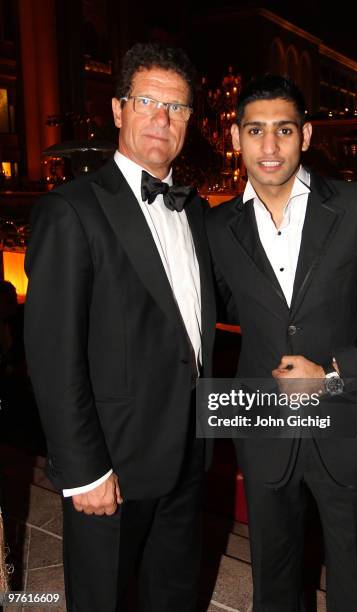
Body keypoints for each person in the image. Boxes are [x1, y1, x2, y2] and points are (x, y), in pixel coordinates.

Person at [206, 74, 357, 612]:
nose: (269, 146)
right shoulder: (215, 227)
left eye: (283, 130)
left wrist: (331, 371)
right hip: (263, 425)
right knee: (274, 586)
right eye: (255, 130)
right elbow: (227, 307)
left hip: (352, 419)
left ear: (305, 136)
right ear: (235, 138)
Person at [25, 42, 215, 612]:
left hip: (187, 455)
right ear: (117, 110)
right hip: (113, 464)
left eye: (177, 107)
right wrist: (84, 471)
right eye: (147, 101)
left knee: (174, 596)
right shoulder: (72, 210)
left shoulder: (196, 211)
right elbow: (53, 354)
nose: (162, 118)